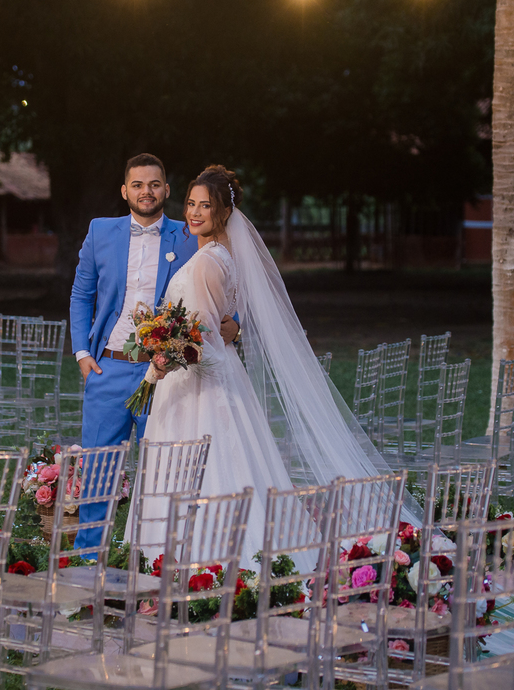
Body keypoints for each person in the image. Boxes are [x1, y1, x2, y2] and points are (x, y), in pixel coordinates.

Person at [140, 165, 413, 567]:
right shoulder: (221, 256)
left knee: (204, 472)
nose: (195, 213)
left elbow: (205, 342)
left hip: (198, 387)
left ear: (224, 213)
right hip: (213, 380)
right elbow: (219, 328)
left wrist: (165, 359)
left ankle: (201, 564)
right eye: (191, 204)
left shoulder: (205, 263)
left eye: (206, 206)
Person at [69, 154, 238, 552]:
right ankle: (87, 559)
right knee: (97, 471)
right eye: (139, 184)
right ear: (125, 191)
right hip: (106, 367)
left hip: (167, 376)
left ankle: (151, 559)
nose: (147, 191)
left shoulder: (191, 233)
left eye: (155, 184)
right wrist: (81, 353)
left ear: (166, 189)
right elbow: (81, 294)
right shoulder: (99, 231)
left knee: (162, 474)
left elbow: (227, 281)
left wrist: (236, 325)